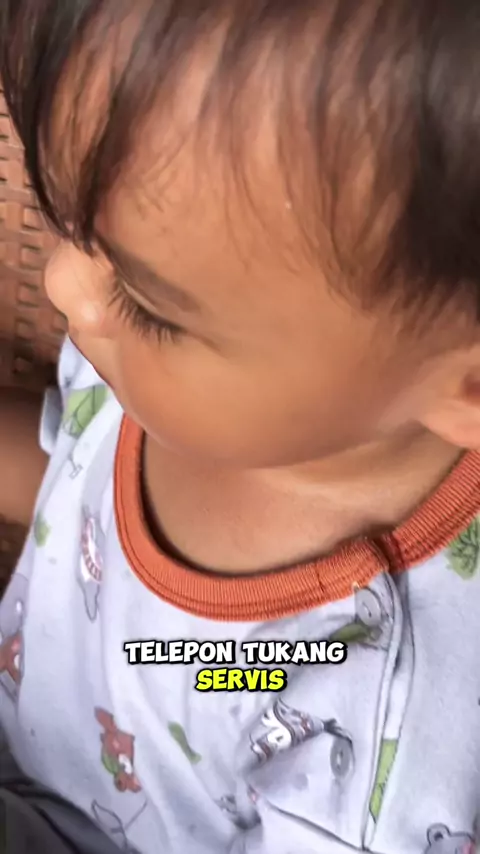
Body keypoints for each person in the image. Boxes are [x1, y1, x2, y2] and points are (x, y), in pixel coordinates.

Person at [0, 0, 480, 851]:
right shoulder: (177, 355)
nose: (68, 288)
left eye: (145, 303)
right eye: (71, 228)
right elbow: (77, 510)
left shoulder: (366, 735)